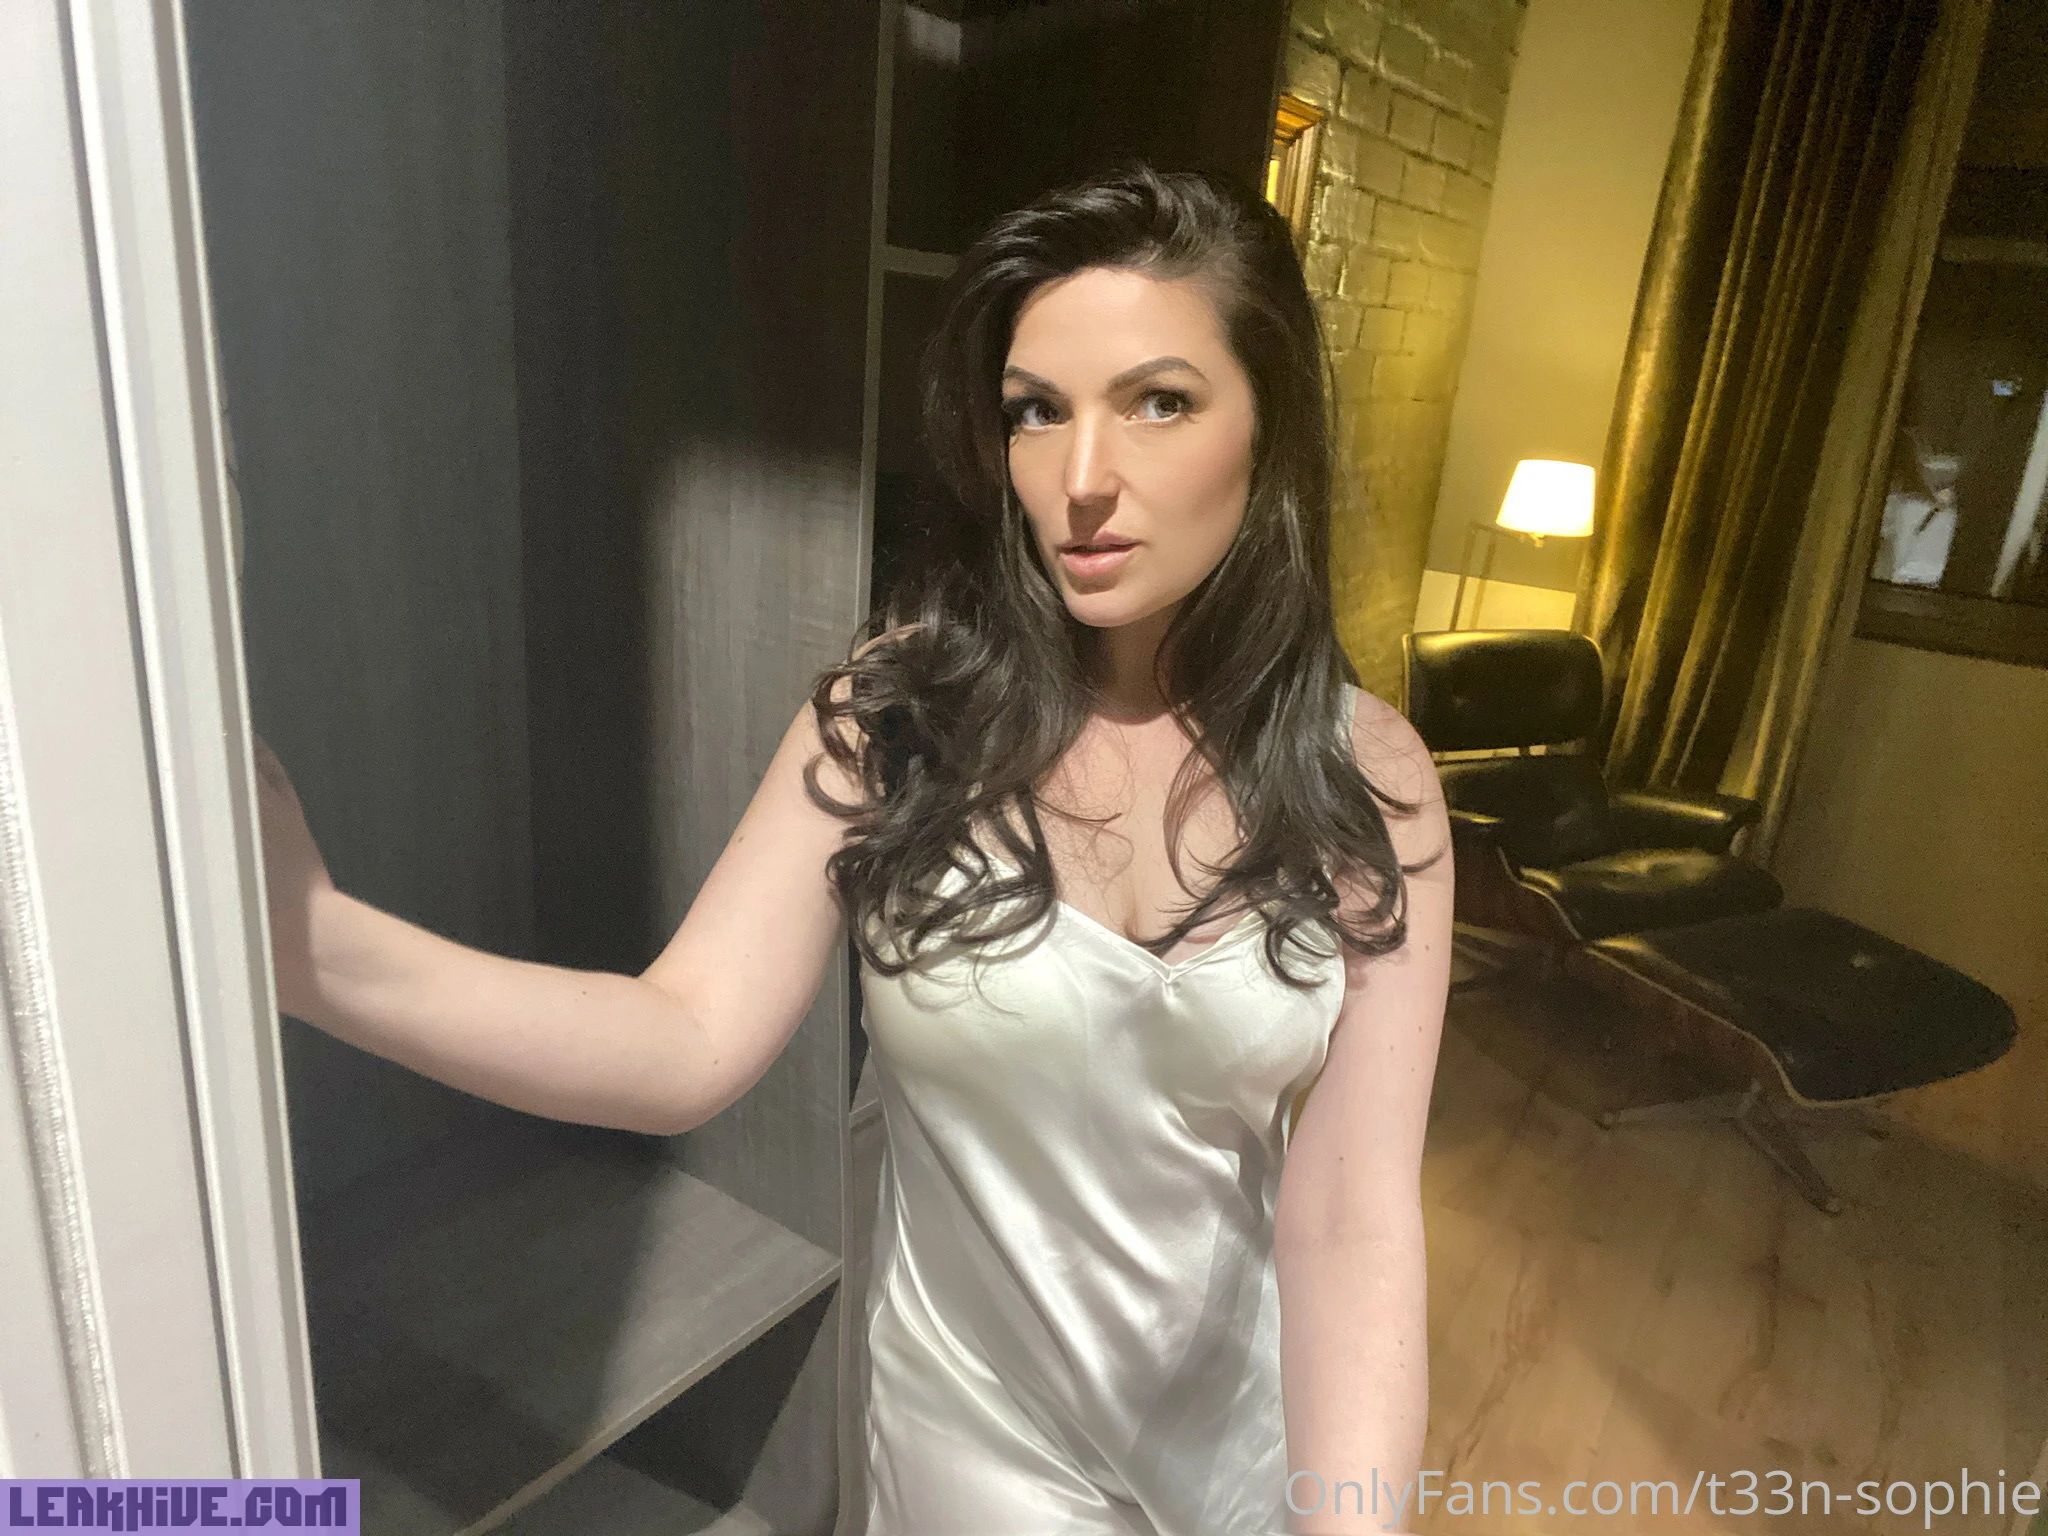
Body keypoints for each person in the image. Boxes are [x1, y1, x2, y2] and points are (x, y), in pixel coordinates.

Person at [256, 162, 1451, 1536]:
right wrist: (317, 947)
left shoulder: (1367, 782)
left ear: (1268, 421)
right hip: (979, 1468)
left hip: (1243, 1450)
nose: (1081, 480)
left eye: (1159, 402)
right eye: (1036, 411)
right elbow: (682, 1037)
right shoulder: (900, 721)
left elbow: (1352, 1219)